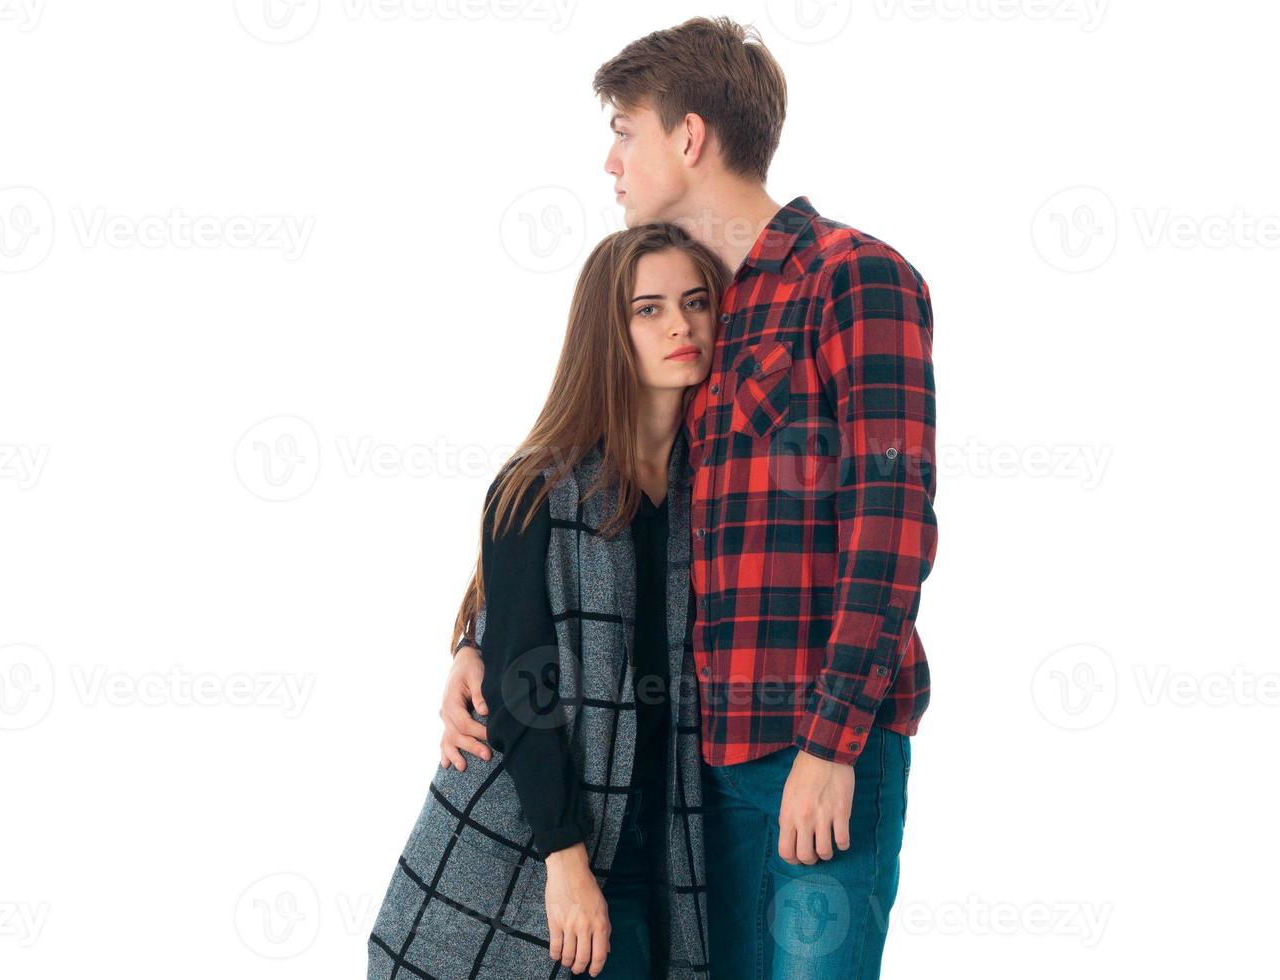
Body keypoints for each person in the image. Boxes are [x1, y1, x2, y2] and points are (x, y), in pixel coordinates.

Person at [439, 16, 938, 980]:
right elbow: (601, 501)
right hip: (701, 773)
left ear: (690, 137)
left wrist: (831, 748)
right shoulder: (704, 310)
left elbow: (892, 527)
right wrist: (479, 638)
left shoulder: (853, 278)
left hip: (820, 754)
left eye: (625, 130)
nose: (610, 160)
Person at [368, 222, 728, 979]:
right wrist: (564, 863)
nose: (681, 326)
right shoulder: (538, 485)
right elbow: (522, 694)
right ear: (608, 332)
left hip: (659, 855)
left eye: (695, 302)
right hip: (539, 852)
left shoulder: (712, 489)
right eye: (649, 309)